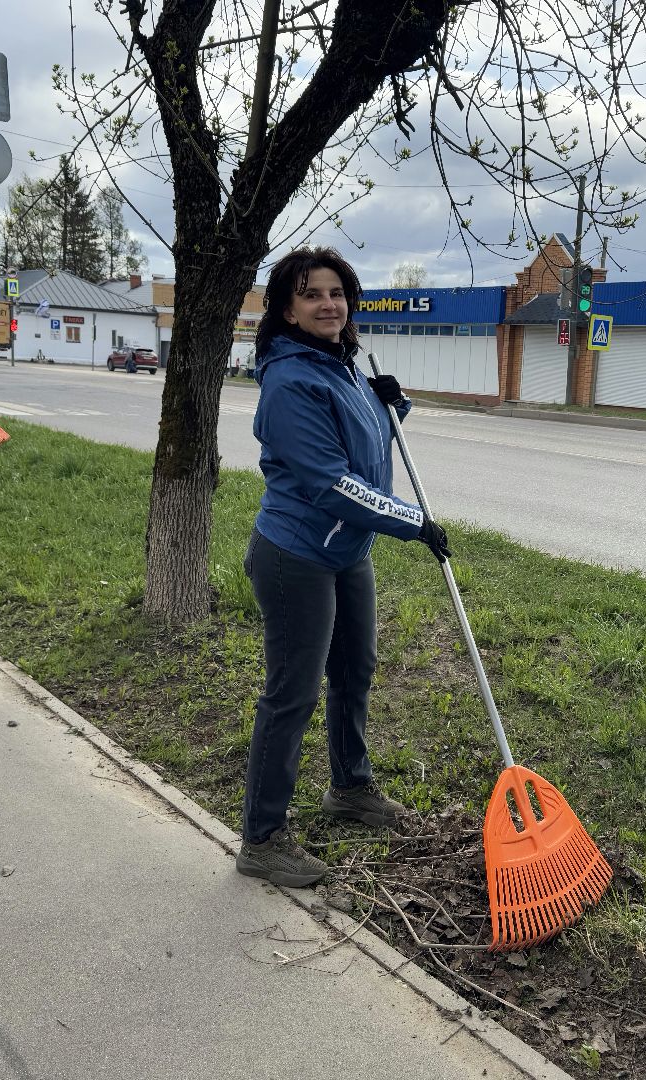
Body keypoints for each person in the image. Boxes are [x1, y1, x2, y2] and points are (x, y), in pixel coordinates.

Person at [237, 247, 453, 888]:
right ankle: (262, 838)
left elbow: (367, 444)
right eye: (311, 294)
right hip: (297, 554)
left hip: (347, 552)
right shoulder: (290, 382)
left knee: (355, 671)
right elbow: (331, 483)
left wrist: (394, 404)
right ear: (287, 309)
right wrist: (412, 521)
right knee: (292, 693)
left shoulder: (343, 365)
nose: (328, 304)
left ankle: (349, 788)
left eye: (336, 293)